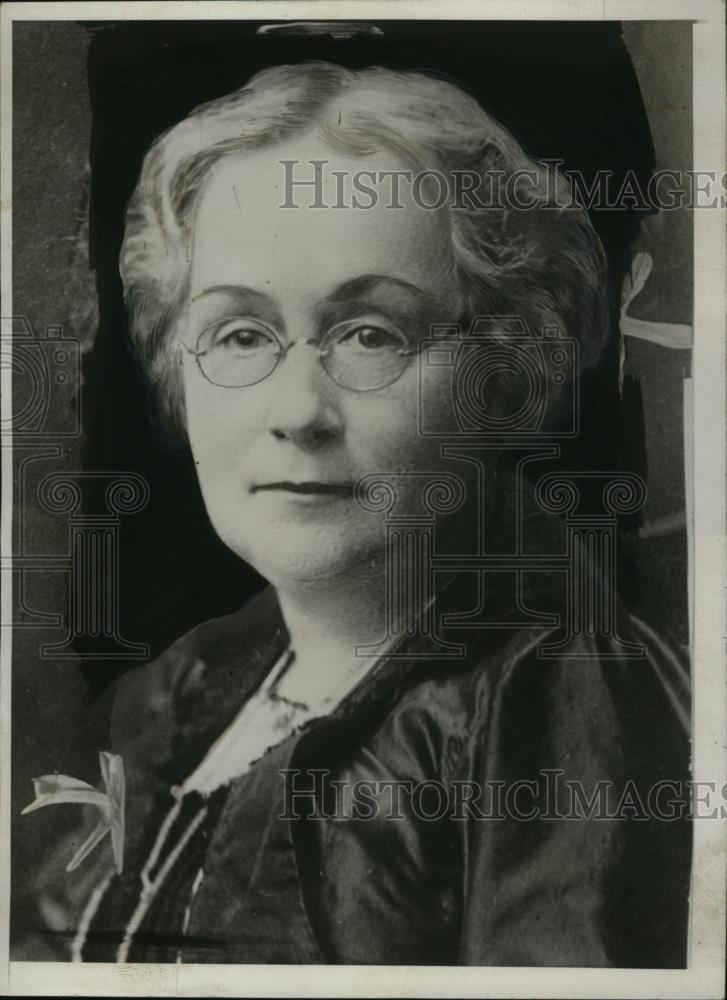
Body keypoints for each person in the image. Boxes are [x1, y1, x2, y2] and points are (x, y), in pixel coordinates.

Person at [22, 61, 690, 966]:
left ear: (500, 371)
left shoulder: (562, 699)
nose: (298, 410)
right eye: (241, 333)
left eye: (370, 333)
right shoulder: (188, 687)